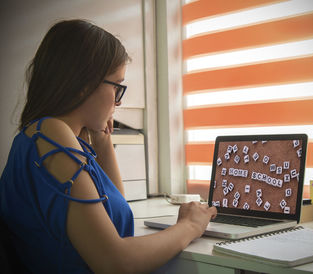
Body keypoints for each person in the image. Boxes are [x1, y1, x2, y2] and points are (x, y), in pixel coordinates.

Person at [0, 19, 217, 273]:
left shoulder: (45, 136)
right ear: (83, 85)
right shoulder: (51, 132)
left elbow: (113, 219)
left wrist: (102, 141)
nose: (118, 101)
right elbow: (115, 262)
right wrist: (190, 226)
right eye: (117, 86)